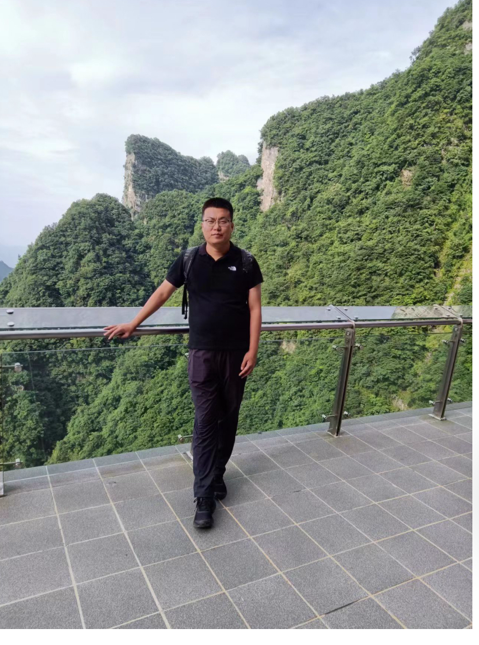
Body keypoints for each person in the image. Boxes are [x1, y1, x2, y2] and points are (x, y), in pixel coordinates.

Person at [103, 197, 263, 529]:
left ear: (231, 225)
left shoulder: (246, 262)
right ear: (202, 225)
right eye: (210, 221)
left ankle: (217, 474)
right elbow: (163, 293)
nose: (216, 227)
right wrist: (134, 323)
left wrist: (253, 350)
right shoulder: (189, 260)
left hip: (236, 355)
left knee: (228, 418)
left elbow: (255, 308)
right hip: (201, 354)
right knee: (205, 421)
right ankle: (203, 496)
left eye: (223, 221)